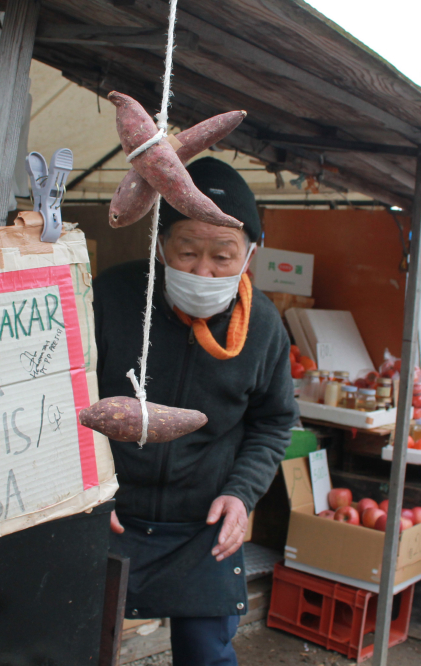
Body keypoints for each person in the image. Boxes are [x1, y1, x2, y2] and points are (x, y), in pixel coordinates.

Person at [93, 157, 299, 665]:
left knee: (206, 655)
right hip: (108, 515)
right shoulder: (110, 298)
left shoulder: (265, 328)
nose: (202, 270)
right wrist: (89, 489)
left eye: (223, 256)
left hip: (203, 525)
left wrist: (241, 494)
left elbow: (274, 422)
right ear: (161, 244)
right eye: (186, 251)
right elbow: (62, 396)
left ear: (251, 254)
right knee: (76, 641)